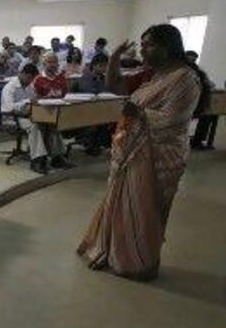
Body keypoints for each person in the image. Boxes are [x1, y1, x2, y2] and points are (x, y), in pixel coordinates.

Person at [77, 25, 207, 281]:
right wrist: (114, 57)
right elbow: (114, 84)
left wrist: (138, 112)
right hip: (132, 151)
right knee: (124, 205)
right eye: (142, 44)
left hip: (159, 155)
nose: (143, 49)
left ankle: (138, 263)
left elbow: (175, 117)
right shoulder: (154, 75)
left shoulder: (184, 78)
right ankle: (114, 252)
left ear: (167, 48)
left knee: (145, 211)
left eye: (148, 45)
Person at [0, 63, 70, 174]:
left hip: (29, 114)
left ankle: (57, 157)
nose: (30, 81)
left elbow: (34, 100)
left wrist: (42, 99)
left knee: (51, 123)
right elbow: (8, 108)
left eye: (32, 79)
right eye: (28, 78)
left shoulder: (30, 86)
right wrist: (27, 102)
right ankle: (37, 161)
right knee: (35, 126)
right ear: (22, 74)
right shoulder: (9, 87)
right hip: (13, 117)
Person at [78, 54, 112, 155]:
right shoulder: (86, 77)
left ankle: (103, 143)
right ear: (94, 65)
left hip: (99, 107)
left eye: (106, 66)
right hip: (84, 108)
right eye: (101, 66)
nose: (104, 68)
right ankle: (90, 144)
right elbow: (88, 92)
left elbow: (106, 91)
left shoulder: (103, 78)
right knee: (95, 120)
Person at [186, 51, 218, 150]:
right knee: (207, 115)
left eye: (194, 59)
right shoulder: (181, 70)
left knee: (208, 115)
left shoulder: (199, 72)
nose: (193, 60)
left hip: (195, 104)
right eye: (191, 58)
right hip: (184, 104)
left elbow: (211, 84)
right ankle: (197, 141)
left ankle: (197, 140)